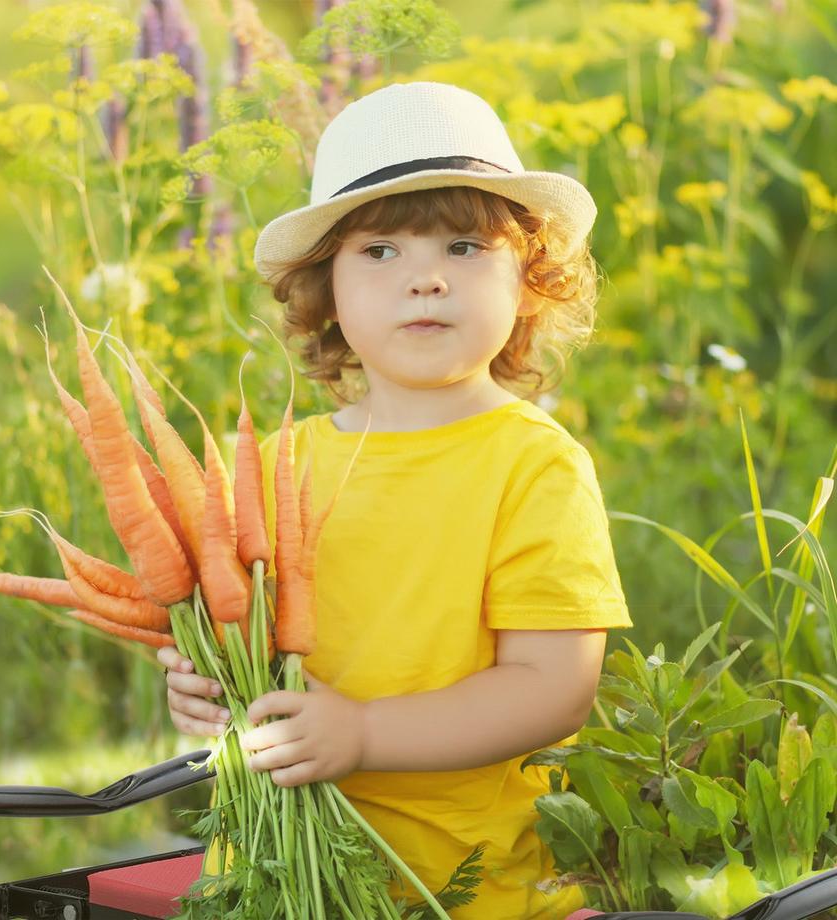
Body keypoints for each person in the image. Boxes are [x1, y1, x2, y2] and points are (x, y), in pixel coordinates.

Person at [158, 80, 633, 919]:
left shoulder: (533, 465)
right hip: (272, 875)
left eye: (462, 248)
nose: (424, 280)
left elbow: (552, 688)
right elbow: (250, 650)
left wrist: (364, 734)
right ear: (326, 294)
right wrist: (206, 687)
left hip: (456, 886)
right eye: (379, 252)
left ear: (528, 281)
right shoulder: (276, 462)